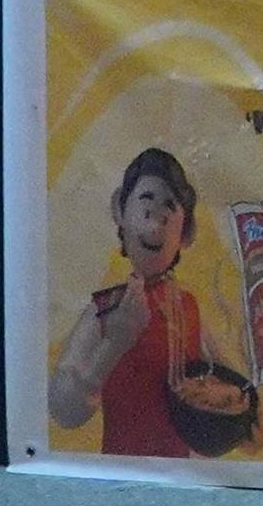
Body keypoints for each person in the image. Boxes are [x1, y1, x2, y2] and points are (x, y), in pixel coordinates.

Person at [42, 144, 230, 456]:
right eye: (146, 200)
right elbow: (63, 410)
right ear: (120, 210)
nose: (156, 218)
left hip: (183, 470)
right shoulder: (105, 310)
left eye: (169, 206)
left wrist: (248, 416)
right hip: (123, 469)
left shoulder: (188, 307)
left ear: (186, 232)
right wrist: (113, 345)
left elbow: (228, 379)